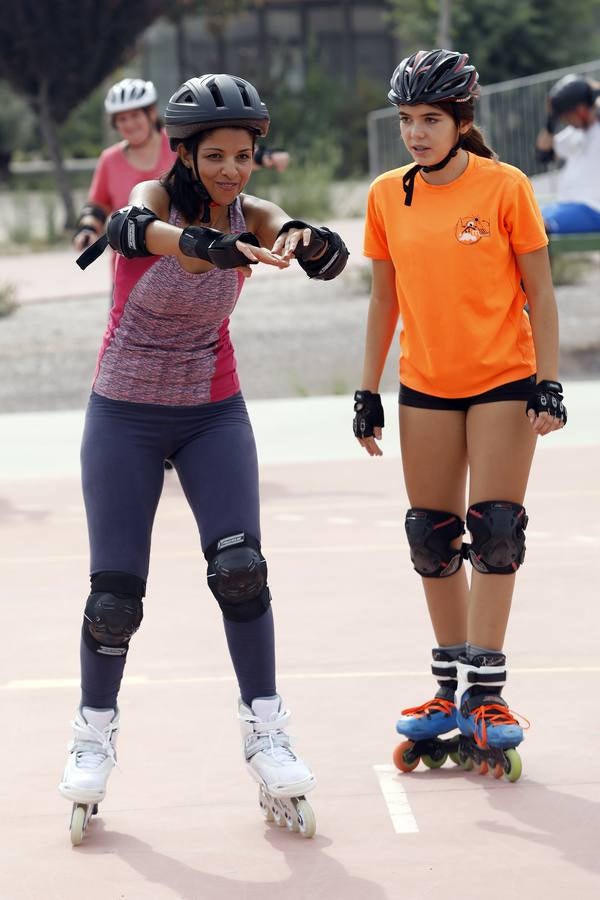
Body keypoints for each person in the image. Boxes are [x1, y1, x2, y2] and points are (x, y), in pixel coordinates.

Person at [58, 72, 349, 844]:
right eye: (214, 155)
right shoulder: (156, 193)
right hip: (124, 412)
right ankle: (93, 735)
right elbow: (135, 226)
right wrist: (196, 243)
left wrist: (306, 238)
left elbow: (285, 224)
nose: (230, 169)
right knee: (116, 597)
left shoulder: (249, 208)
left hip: (212, 411)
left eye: (243, 155)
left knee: (241, 570)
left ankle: (267, 733)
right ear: (184, 153)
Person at [354, 48, 567, 781]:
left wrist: (549, 382)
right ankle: (449, 692)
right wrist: (366, 389)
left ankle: (488, 694)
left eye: (430, 120)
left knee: (497, 530)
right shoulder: (386, 195)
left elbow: (540, 290)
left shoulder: (505, 188)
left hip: (504, 380)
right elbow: (383, 299)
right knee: (431, 537)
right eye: (408, 119)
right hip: (426, 385)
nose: (416, 133)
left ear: (460, 121)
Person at [72, 77, 292, 254]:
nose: (129, 124)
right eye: (121, 119)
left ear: (150, 114)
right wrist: (88, 229)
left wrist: (267, 156)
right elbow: (97, 205)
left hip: (196, 256)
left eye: (134, 115)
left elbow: (227, 152)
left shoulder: (177, 144)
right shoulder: (110, 159)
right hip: (133, 261)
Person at [534, 73, 600, 234]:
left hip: (592, 208)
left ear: (581, 110)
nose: (565, 121)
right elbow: (543, 153)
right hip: (566, 206)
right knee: (522, 218)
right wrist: (551, 120)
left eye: (566, 116)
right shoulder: (575, 133)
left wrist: (587, 90)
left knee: (535, 227)